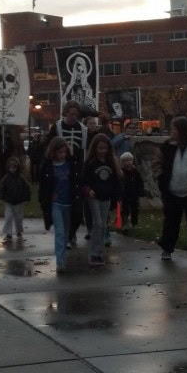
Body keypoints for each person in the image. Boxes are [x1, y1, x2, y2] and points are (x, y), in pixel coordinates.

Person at [45, 101, 88, 246]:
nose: (74, 117)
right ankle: (65, 235)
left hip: (75, 171)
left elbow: (83, 151)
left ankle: (71, 232)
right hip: (60, 169)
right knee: (62, 204)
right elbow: (49, 147)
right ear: (66, 113)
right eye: (71, 114)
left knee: (76, 208)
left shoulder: (82, 129)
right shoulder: (57, 127)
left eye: (76, 114)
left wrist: (82, 170)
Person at [38, 137, 82, 274]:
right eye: (59, 152)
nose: (62, 155)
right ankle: (60, 262)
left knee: (67, 232)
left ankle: (63, 257)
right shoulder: (48, 166)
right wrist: (45, 199)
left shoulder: (71, 164)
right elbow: (43, 185)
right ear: (53, 152)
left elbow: (77, 182)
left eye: (64, 152)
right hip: (56, 203)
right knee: (60, 232)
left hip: (69, 202)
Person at [155, 115, 187, 260]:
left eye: (174, 129)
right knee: (171, 222)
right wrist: (161, 179)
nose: (172, 131)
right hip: (171, 192)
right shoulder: (167, 147)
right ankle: (167, 248)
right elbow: (157, 164)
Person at [81, 133, 123, 267]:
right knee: (97, 223)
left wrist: (117, 196)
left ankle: (99, 253)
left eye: (105, 148)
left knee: (104, 225)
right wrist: (88, 190)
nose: (102, 151)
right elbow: (83, 180)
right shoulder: (90, 163)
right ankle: (94, 254)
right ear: (95, 148)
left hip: (106, 197)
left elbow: (116, 181)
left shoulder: (111, 163)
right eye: (100, 148)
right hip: (94, 197)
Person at [0, 157, 31, 244]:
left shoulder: (21, 179)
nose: (12, 169)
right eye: (11, 167)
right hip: (8, 201)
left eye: (14, 167)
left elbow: (27, 189)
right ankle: (8, 233)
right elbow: (1, 189)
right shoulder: (5, 179)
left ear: (17, 168)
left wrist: (27, 199)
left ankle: (19, 231)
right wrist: (0, 198)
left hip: (19, 201)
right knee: (8, 217)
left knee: (18, 218)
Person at [119, 151, 145, 231]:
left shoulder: (135, 172)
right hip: (125, 194)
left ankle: (134, 223)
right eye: (126, 161)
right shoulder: (121, 172)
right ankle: (125, 224)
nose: (129, 162)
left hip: (134, 194)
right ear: (122, 162)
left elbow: (140, 181)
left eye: (130, 160)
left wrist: (140, 191)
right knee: (125, 209)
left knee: (135, 209)